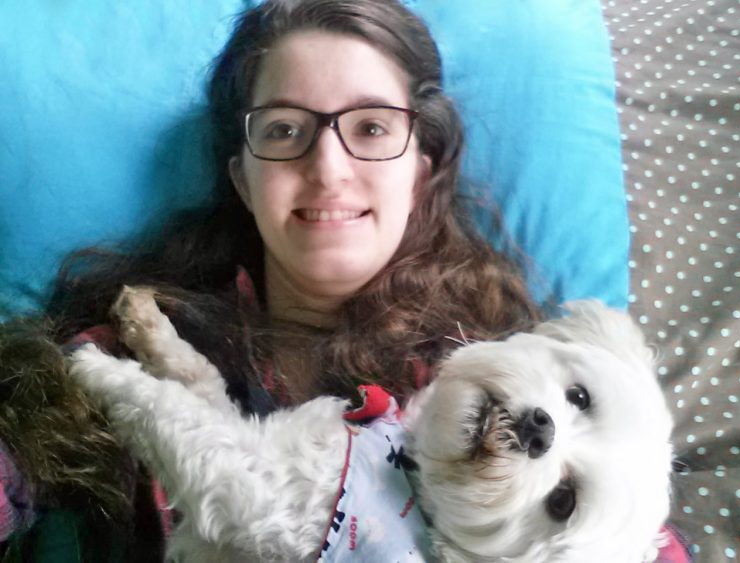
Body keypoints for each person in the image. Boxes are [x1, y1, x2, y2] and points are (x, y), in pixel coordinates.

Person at [0, 0, 688, 561]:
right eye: (285, 129)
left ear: (421, 166)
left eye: (371, 126)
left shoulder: (534, 409)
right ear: (243, 177)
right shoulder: (123, 347)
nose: (328, 166)